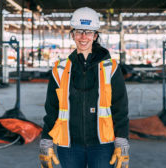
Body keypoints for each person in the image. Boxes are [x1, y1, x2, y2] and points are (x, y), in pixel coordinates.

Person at [39, 7, 130, 168]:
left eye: (88, 32)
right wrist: (46, 139)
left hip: (103, 144)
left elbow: (120, 107)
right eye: (79, 31)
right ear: (72, 34)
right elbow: (52, 109)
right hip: (69, 145)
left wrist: (121, 139)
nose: (83, 37)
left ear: (95, 36)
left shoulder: (111, 68)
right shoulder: (60, 69)